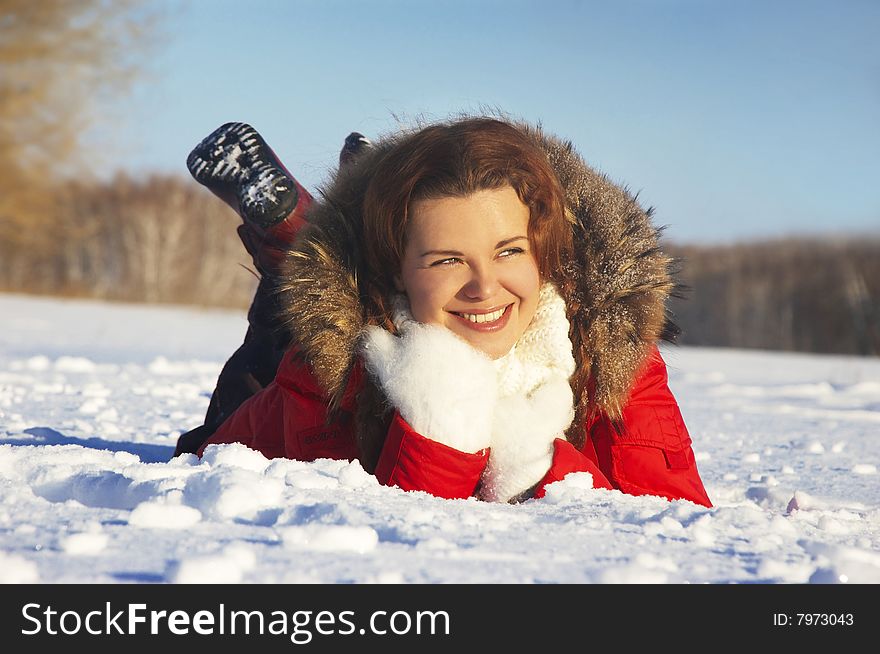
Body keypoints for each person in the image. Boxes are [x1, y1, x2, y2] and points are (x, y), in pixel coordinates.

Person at [174, 116, 712, 508]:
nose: (484, 287)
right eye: (448, 260)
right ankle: (296, 243)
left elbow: (672, 521)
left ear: (544, 251)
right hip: (304, 362)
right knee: (282, 331)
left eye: (509, 251)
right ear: (394, 275)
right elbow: (221, 467)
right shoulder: (336, 366)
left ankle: (307, 228)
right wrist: (440, 421)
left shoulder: (609, 350)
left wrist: (531, 462)